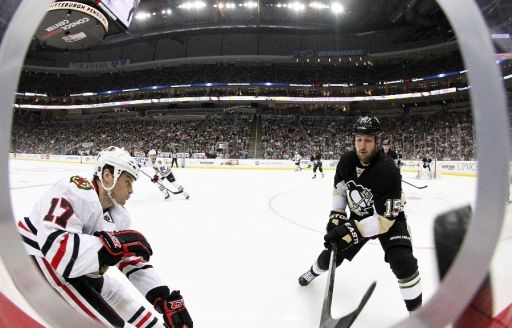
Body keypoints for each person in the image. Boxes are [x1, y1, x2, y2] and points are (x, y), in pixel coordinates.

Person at [17, 146, 193, 328]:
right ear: (108, 175)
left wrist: (164, 299)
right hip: (35, 258)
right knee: (110, 324)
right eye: (128, 182)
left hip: (73, 270)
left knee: (115, 292)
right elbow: (60, 253)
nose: (131, 190)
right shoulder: (75, 190)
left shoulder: (118, 216)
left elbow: (130, 260)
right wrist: (115, 245)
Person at [298, 116, 422, 313]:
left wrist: (352, 230)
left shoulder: (388, 169)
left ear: (376, 142)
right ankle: (312, 272)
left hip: (389, 218)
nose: (362, 146)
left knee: (403, 262)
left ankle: (418, 316)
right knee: (332, 252)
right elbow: (339, 189)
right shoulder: (346, 161)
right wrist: (336, 215)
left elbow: (385, 220)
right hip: (360, 216)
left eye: (368, 140)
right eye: (359, 140)